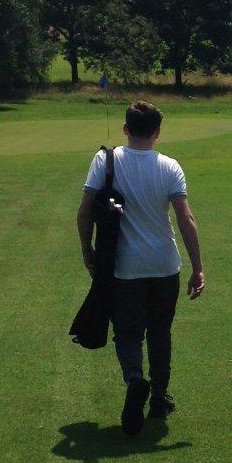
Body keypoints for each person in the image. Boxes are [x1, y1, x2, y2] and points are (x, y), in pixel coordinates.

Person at [77, 100, 205, 436]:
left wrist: (86, 248)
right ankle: (159, 397)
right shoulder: (170, 166)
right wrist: (198, 267)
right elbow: (186, 218)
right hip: (165, 265)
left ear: (125, 129)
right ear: (158, 132)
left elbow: (85, 210)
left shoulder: (105, 160)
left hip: (125, 267)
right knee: (160, 331)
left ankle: (135, 379)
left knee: (128, 332)